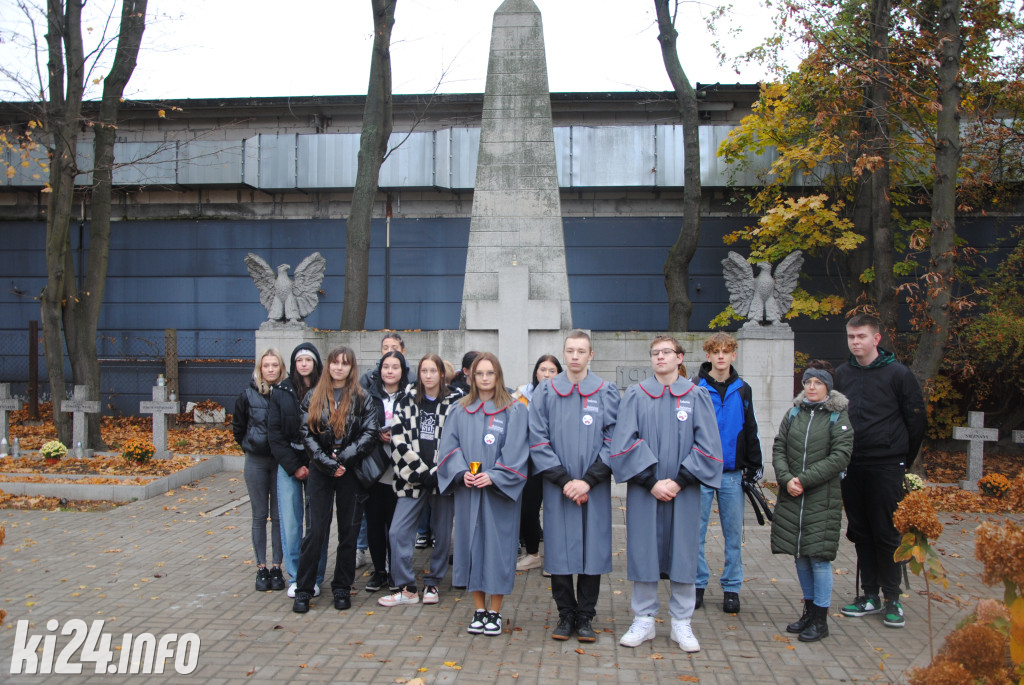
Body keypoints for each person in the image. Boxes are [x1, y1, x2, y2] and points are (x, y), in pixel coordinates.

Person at [609, 336, 723, 653]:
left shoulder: (696, 395)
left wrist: (679, 480)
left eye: (666, 352)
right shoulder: (636, 394)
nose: (660, 357)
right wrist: (651, 481)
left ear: (679, 357)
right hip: (646, 491)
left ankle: (681, 623)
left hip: (683, 491)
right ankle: (644, 620)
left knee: (684, 550)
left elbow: (709, 446)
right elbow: (623, 442)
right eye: (655, 353)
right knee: (643, 549)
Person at [835, 314, 926, 629]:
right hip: (852, 465)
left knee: (887, 532)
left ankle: (893, 598)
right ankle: (869, 594)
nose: (855, 342)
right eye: (851, 336)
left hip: (886, 464)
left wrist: (901, 458)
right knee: (861, 531)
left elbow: (916, 420)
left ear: (876, 339)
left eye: (861, 336)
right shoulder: (842, 374)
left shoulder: (898, 374)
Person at [529, 331, 618, 642]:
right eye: (570, 350)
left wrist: (588, 480)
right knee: (559, 550)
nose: (575, 356)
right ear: (563, 354)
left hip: (593, 486)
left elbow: (613, 439)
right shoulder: (546, 392)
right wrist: (566, 481)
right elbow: (537, 440)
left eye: (582, 351)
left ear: (591, 355)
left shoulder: (606, 392)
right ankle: (565, 614)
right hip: (559, 487)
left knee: (592, 549)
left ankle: (586, 617)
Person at [437, 352, 529, 637]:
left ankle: (496, 611)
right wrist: (461, 471)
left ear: (498, 375)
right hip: (468, 491)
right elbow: (449, 447)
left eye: (490, 373)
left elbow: (516, 451)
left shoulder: (514, 410)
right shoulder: (460, 409)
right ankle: (479, 609)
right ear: (471, 376)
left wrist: (495, 475)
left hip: (498, 493)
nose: (485, 378)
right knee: (470, 546)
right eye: (480, 373)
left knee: (498, 550)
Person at [771, 360, 853, 642]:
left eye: (817, 383)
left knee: (818, 558)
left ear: (827, 387)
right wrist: (786, 478)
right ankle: (807, 612)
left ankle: (820, 619)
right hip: (793, 496)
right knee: (800, 556)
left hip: (821, 499)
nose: (811, 387)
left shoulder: (837, 417)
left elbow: (840, 456)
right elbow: (779, 445)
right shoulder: (794, 413)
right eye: (808, 382)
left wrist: (803, 480)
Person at [292, 347, 378, 613]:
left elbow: (370, 432)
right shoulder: (312, 396)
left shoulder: (362, 397)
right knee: (315, 531)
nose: (339, 368)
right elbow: (306, 434)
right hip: (321, 470)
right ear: (328, 365)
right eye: (335, 363)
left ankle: (342, 586)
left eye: (345, 364)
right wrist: (328, 463)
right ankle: (304, 588)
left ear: (352, 368)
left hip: (350, 471)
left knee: (348, 532)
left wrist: (345, 459)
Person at [378, 354, 464, 607]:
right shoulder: (406, 401)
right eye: (424, 371)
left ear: (441, 374)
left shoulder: (454, 403)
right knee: (397, 532)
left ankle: (434, 583)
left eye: (432, 371)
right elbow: (398, 438)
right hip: (412, 479)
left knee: (442, 532)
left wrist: (438, 471)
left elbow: (457, 440)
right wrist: (421, 471)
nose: (428, 376)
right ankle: (406, 587)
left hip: (443, 479)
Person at [693, 332, 763, 614]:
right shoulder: (695, 387)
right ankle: (697, 584)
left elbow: (751, 428)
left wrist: (753, 465)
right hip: (701, 472)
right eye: (715, 351)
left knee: (733, 535)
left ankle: (732, 588)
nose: (721, 356)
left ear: (734, 356)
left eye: (726, 351)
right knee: (695, 533)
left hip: (733, 473)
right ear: (708, 356)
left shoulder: (743, 389)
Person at [268, 343, 329, 598]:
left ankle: (314, 576)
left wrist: (314, 462)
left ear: (315, 363)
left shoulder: (325, 391)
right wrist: (294, 467)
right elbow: (275, 434)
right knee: (292, 524)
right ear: (294, 364)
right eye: (299, 360)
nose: (304, 364)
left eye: (309, 359)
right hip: (289, 464)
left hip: (316, 462)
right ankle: (295, 576)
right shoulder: (281, 391)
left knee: (317, 523)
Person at [232, 348, 287, 593]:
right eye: (267, 366)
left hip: (280, 462)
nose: (271, 369)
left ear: (281, 368)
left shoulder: (288, 394)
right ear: (260, 369)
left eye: (275, 365)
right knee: (258, 515)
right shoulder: (246, 395)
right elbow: (238, 427)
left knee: (278, 516)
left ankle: (277, 567)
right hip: (256, 461)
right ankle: (261, 567)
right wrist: (250, 444)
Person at [362, 351, 408, 593]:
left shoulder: (410, 396)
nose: (390, 371)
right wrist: (376, 434)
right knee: (374, 523)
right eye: (386, 367)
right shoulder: (368, 396)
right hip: (375, 467)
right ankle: (379, 570)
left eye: (395, 367)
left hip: (400, 470)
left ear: (403, 371)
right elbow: (360, 425)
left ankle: (394, 571)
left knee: (395, 524)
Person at [514, 354, 562, 573]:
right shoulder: (522, 396)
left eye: (552, 370)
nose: (547, 374)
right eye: (543, 369)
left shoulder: (565, 395)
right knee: (527, 509)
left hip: (556, 461)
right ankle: (533, 554)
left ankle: (554, 559)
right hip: (530, 461)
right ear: (536, 372)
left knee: (556, 511)